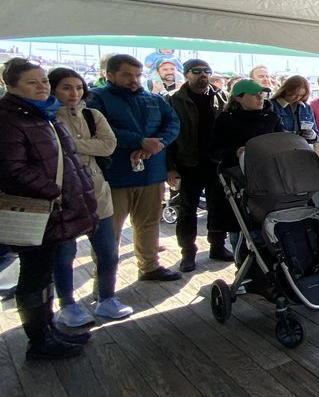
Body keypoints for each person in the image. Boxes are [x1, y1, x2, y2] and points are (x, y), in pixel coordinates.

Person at [0, 59, 98, 359]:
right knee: (35, 274)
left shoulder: (41, 114)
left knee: (43, 274)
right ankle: (39, 340)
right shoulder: (10, 119)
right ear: (11, 85)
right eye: (33, 82)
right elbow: (10, 168)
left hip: (56, 210)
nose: (42, 86)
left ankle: (48, 328)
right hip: (40, 210)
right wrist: (53, 191)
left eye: (43, 80)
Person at [49, 67, 132, 326]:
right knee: (64, 256)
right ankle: (67, 304)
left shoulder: (92, 115)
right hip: (63, 197)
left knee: (108, 251)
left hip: (97, 193)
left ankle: (106, 298)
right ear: (53, 89)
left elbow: (108, 144)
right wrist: (85, 143)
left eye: (78, 87)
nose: (74, 93)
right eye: (66, 87)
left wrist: (69, 143)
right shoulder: (46, 118)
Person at [88, 54, 180, 282]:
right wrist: (139, 141)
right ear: (109, 75)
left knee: (149, 222)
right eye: (126, 75)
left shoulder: (154, 99)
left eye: (137, 75)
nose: (134, 80)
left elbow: (173, 123)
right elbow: (99, 130)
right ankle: (104, 275)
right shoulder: (96, 99)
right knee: (110, 229)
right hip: (115, 175)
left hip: (151, 173)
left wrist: (155, 144)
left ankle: (149, 266)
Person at [167, 58, 233, 272]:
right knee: (187, 210)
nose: (203, 75)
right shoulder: (173, 100)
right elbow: (166, 135)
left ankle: (217, 246)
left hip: (215, 162)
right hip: (187, 163)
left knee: (218, 207)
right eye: (197, 71)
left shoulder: (220, 96)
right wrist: (169, 166)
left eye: (207, 71)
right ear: (186, 74)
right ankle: (188, 253)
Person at [205, 80, 284, 241]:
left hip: (268, 181)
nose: (260, 98)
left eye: (261, 94)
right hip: (236, 182)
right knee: (238, 228)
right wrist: (235, 151)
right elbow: (213, 152)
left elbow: (283, 141)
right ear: (239, 98)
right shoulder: (225, 120)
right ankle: (241, 261)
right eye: (254, 94)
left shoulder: (272, 118)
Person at [269, 75, 318, 147]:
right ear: (285, 91)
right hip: (281, 149)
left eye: (301, 95)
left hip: (302, 149)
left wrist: (313, 135)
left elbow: (316, 134)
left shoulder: (306, 107)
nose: (297, 98)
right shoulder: (272, 105)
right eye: (293, 94)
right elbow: (268, 134)